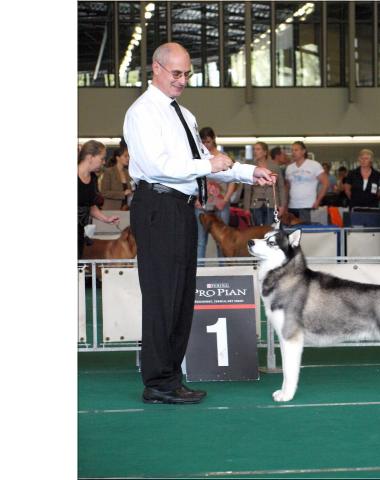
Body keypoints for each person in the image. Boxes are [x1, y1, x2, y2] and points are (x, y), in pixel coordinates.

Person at [123, 42, 275, 405]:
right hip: (157, 205)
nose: (182, 80)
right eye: (176, 73)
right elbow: (160, 165)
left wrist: (250, 172)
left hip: (181, 208)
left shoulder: (185, 115)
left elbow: (208, 160)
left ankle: (170, 378)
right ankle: (158, 382)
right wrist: (209, 166)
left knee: (180, 297)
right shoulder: (143, 113)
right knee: (163, 297)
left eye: (187, 74)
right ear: (156, 69)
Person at [195, 126, 236, 257]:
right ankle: (199, 273)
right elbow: (191, 180)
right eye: (203, 142)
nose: (206, 145)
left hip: (221, 204)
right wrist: (196, 199)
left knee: (223, 240)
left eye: (208, 141)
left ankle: (222, 271)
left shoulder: (224, 157)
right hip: (202, 204)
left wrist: (225, 200)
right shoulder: (198, 158)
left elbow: (232, 181)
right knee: (201, 241)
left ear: (213, 140)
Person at [77, 140, 120, 258]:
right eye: (102, 158)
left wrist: (106, 219)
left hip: (81, 233)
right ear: (90, 157)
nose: (104, 161)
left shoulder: (93, 179)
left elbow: (90, 205)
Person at [243, 141, 287, 225]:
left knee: (270, 230)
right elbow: (247, 189)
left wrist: (282, 205)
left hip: (272, 202)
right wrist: (246, 207)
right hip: (255, 203)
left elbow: (281, 187)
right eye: (254, 149)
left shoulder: (275, 166)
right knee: (257, 230)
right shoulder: (251, 167)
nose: (255, 151)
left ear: (265, 152)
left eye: (258, 149)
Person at [284, 141, 329, 223]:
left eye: (296, 150)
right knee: (293, 233)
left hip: (308, 205)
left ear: (303, 151)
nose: (293, 152)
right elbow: (287, 187)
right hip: (292, 206)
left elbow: (326, 183)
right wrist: (285, 204)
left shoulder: (314, 165)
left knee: (305, 232)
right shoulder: (289, 168)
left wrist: (318, 200)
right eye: (292, 150)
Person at [99, 145, 133, 210]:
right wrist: (123, 193)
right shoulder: (108, 172)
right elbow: (104, 193)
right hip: (111, 209)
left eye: (128, 156)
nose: (128, 158)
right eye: (125, 156)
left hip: (126, 209)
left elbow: (131, 189)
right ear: (118, 158)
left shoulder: (129, 173)